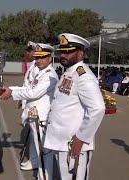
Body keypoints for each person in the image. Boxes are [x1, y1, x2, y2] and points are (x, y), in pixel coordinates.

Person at [43, 33, 105, 180]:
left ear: (80, 53)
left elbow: (98, 108)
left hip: (74, 145)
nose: (63, 55)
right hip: (61, 142)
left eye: (68, 51)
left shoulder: (84, 76)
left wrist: (81, 138)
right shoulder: (68, 73)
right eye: (61, 51)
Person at [0, 43, 59, 179]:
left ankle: (43, 175)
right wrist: (10, 89)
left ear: (50, 58)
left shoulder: (50, 76)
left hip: (42, 118)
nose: (38, 60)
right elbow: (28, 87)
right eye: (37, 57)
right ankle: (36, 165)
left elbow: (33, 93)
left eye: (42, 57)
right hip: (35, 116)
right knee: (36, 145)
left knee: (44, 150)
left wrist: (11, 92)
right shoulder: (41, 72)